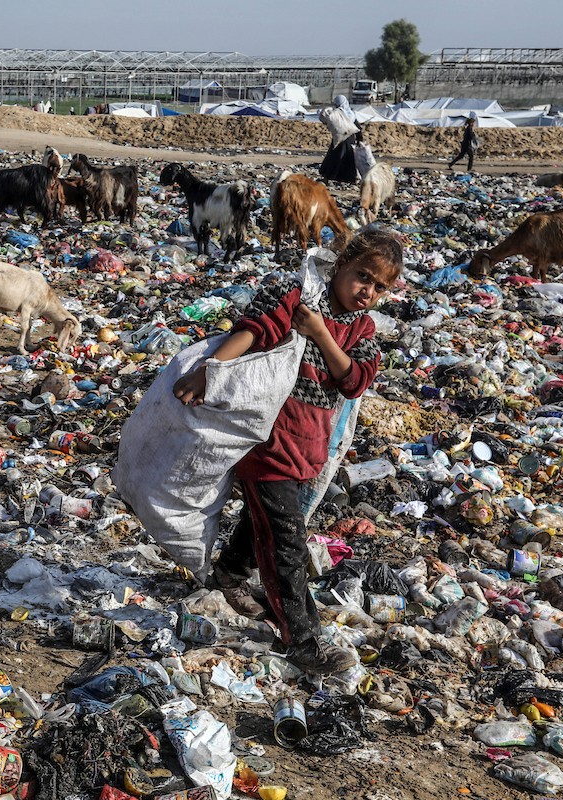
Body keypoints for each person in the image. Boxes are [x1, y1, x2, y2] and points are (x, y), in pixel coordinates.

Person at [173, 229, 404, 674]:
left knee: (269, 517)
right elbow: (255, 330)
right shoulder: (296, 292)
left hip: (310, 444)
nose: (368, 292)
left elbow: (354, 379)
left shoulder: (362, 328)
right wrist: (211, 372)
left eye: (380, 287)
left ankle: (230, 575)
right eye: (363, 277)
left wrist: (319, 332)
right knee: (286, 539)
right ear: (341, 263)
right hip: (267, 435)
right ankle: (302, 636)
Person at [318, 95, 360, 183]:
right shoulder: (351, 114)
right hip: (349, 139)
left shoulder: (336, 114)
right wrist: (360, 139)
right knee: (347, 158)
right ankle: (348, 177)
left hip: (339, 139)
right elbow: (357, 127)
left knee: (335, 157)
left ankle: (331, 175)